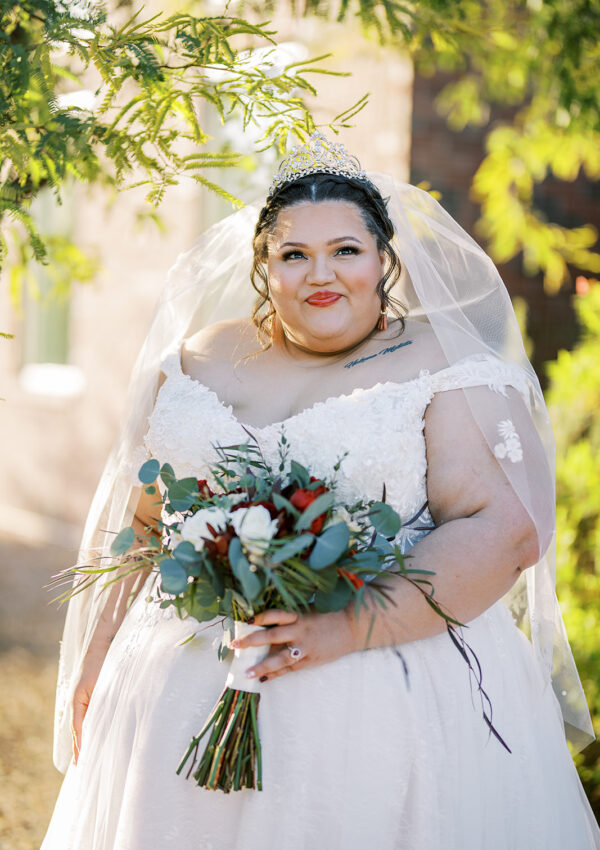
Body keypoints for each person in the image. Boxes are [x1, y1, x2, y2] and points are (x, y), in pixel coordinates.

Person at [43, 133, 600, 849]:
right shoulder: (199, 358)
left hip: (378, 700)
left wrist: (343, 629)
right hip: (172, 697)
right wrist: (97, 657)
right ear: (263, 268)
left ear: (383, 261)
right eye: (294, 255)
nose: (321, 275)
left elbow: (503, 531)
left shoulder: (445, 365)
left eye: (345, 250)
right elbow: (147, 524)